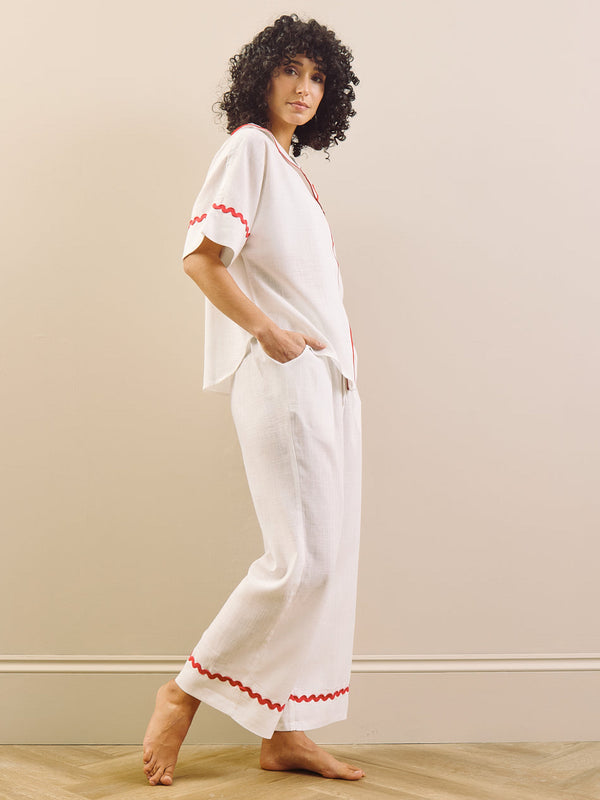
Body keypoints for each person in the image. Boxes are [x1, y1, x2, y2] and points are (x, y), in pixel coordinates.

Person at [142, 13, 364, 785]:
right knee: (297, 559)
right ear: (261, 76)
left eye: (316, 76)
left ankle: (285, 731)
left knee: (326, 562)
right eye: (290, 71)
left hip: (328, 380)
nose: (303, 88)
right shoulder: (246, 149)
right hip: (283, 376)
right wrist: (267, 330)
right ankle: (183, 693)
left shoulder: (288, 166)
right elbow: (202, 259)